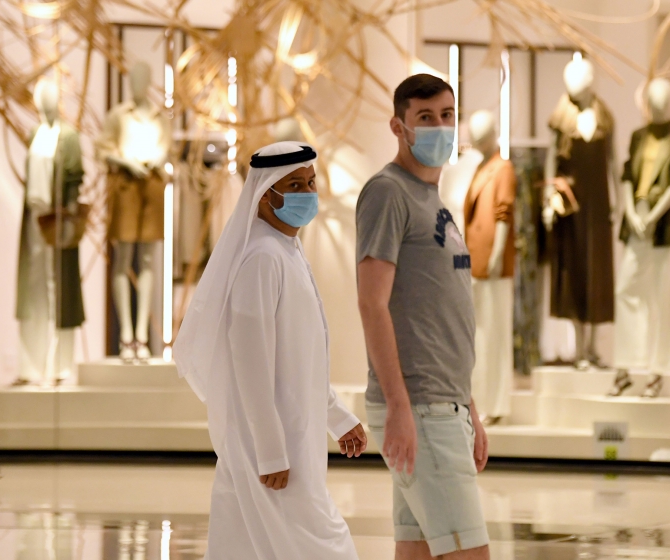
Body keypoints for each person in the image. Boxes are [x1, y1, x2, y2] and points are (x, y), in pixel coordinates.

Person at [174, 142, 368, 559]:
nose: (306, 193)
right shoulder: (261, 259)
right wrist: (270, 452)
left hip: (293, 434)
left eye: (311, 182)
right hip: (272, 446)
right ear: (265, 195)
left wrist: (339, 417)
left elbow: (302, 362)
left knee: (246, 544)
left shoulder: (286, 250)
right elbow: (251, 366)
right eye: (294, 185)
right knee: (324, 546)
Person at [356, 74, 490, 559]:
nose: (440, 127)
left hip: (441, 403)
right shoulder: (388, 193)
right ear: (399, 126)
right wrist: (398, 406)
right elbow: (372, 303)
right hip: (421, 409)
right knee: (468, 553)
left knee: (417, 552)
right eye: (425, 118)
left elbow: (436, 312)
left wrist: (467, 404)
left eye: (447, 116)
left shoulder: (434, 202)